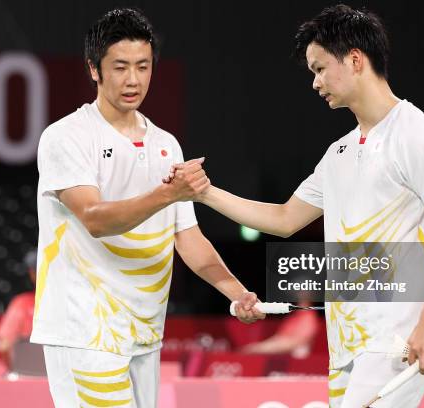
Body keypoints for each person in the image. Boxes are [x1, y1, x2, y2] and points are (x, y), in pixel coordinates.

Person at [169, 5, 424, 407]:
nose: (315, 83)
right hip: (345, 345)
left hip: (397, 340)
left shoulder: (417, 136)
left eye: (320, 69)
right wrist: (205, 193)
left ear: (356, 60)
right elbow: (283, 219)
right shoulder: (339, 153)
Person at [29, 8, 264, 408]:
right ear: (94, 69)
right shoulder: (66, 137)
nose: (133, 79)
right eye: (120, 67)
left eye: (143, 66)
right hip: (86, 330)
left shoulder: (166, 144)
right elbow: (94, 219)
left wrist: (237, 293)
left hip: (144, 332)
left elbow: (187, 238)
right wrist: (169, 193)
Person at [0, 250, 36, 369]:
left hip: (29, 375)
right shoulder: (74, 302)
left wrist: (15, 372)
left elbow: (4, 347)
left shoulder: (21, 304)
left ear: (32, 273)